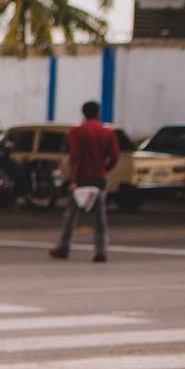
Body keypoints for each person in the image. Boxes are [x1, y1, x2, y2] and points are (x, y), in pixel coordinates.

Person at [50, 99, 119, 263]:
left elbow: (75, 157)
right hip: (99, 177)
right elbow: (115, 155)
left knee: (71, 215)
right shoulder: (108, 132)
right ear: (98, 113)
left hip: (82, 177)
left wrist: (73, 180)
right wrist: (105, 168)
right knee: (100, 216)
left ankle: (64, 247)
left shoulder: (77, 132)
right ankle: (101, 251)